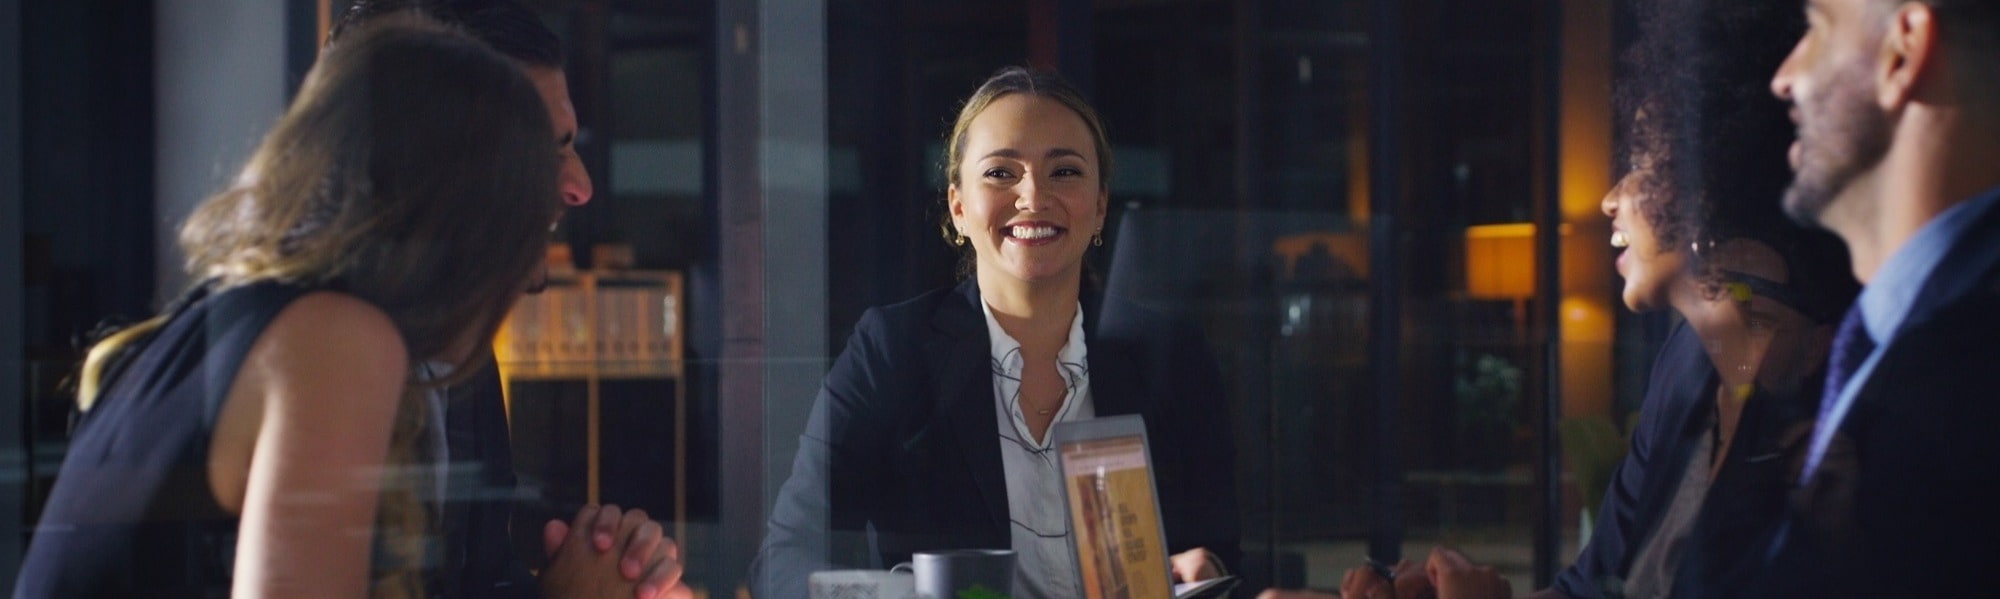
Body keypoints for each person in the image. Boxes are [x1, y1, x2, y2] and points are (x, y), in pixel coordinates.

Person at [13, 19, 649, 598]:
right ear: (461, 192)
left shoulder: (259, 323)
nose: (571, 192)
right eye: (532, 161)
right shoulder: (334, 339)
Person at [1257, 1, 1858, 598]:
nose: (1609, 199)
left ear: (1718, 188)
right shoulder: (1687, 370)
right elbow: (1589, 589)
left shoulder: (1831, 411)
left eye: (1643, 161)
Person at [751, 66, 1240, 598]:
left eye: (1066, 172)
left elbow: (1223, 550)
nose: (1032, 197)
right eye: (1001, 173)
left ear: (1100, 206)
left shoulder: (1168, 355)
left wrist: (1206, 567)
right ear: (958, 207)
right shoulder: (893, 350)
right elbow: (784, 557)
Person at [327, 3, 688, 598]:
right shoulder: (320, 354)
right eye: (544, 151)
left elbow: (471, 583)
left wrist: (601, 569)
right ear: (431, 161)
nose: (580, 187)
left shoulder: (453, 350)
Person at [1752, 0, 2000, 595]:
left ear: (1903, 52)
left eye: (1816, 29)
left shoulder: (1967, 386)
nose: (1783, 77)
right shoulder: (1896, 340)